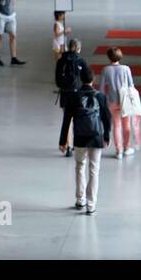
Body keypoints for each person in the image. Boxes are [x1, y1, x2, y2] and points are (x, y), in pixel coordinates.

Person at [58, 66, 112, 215]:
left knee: (80, 167)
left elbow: (67, 120)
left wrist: (63, 141)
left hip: (80, 137)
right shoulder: (100, 96)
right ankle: (91, 204)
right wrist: (106, 136)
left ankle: (80, 199)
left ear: (80, 79)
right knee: (94, 170)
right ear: (93, 79)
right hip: (96, 137)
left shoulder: (73, 97)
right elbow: (107, 118)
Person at [100, 47, 141, 159]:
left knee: (116, 126)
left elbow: (102, 89)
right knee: (126, 125)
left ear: (109, 57)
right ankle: (127, 148)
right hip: (125, 102)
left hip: (112, 102)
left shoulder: (105, 70)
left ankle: (118, 150)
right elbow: (131, 86)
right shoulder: (126, 69)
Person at [55, 37, 88, 157]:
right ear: (79, 49)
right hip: (78, 94)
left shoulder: (61, 60)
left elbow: (57, 80)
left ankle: (68, 145)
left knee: (67, 119)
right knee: (78, 119)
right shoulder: (81, 61)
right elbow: (87, 79)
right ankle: (78, 144)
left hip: (65, 93)